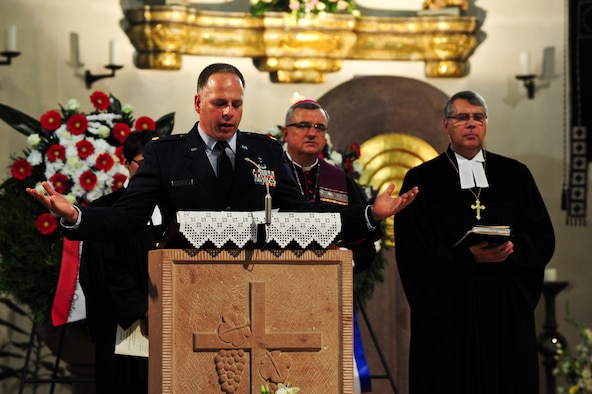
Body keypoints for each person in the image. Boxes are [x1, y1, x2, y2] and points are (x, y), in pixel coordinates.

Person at [27, 63, 418, 247]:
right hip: (187, 279)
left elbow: (303, 212)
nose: (228, 112)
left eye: (236, 103)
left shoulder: (263, 151)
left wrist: (369, 214)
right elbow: (129, 216)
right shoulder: (166, 154)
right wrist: (76, 215)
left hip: (256, 279)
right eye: (218, 103)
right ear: (198, 102)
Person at [393, 90, 555, 394]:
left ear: (486, 124)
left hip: (503, 304)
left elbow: (542, 234)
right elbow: (413, 246)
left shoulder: (515, 175)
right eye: (462, 117)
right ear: (446, 124)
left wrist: (511, 249)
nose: (471, 124)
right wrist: (468, 258)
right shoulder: (423, 179)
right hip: (449, 307)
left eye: (478, 118)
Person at [80, 131, 162, 393]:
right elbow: (101, 270)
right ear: (126, 164)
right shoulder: (106, 209)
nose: (152, 169)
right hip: (122, 327)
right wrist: (144, 307)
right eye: (144, 162)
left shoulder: (176, 209)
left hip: (171, 322)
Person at [281, 98, 380, 273]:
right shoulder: (270, 174)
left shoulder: (340, 178)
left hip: (331, 283)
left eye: (319, 128)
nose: (312, 133)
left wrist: (341, 258)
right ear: (285, 133)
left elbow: (366, 244)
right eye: (304, 125)